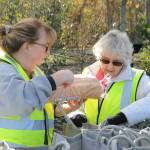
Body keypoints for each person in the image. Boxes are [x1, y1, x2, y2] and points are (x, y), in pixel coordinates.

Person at [0, 18, 74, 150]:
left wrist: (67, 108)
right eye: (46, 47)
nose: (48, 53)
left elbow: (39, 109)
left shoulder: (36, 72)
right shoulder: (3, 68)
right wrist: (55, 79)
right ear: (27, 46)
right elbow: (20, 101)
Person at [81, 29, 150, 127]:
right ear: (98, 57)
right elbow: (77, 104)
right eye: (105, 60)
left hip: (119, 139)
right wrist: (77, 115)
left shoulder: (138, 79)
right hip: (88, 138)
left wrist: (123, 116)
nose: (110, 67)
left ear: (125, 61)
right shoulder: (88, 73)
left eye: (117, 63)